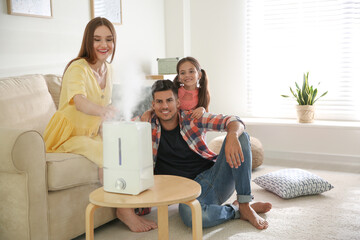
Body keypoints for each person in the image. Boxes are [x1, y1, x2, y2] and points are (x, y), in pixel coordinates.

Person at [43, 17, 157, 232]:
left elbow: (106, 105)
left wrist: (114, 122)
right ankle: (124, 211)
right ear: (88, 41)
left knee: (126, 146)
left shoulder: (108, 70)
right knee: (108, 153)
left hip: (91, 132)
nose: (104, 45)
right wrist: (103, 111)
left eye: (109, 39)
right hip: (67, 134)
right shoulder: (78, 68)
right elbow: (79, 101)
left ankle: (133, 201)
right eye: (97, 39)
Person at [137, 79, 272, 229]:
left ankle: (245, 203)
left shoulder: (192, 119)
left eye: (169, 100)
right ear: (153, 105)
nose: (164, 106)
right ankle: (237, 210)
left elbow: (233, 120)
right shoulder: (146, 124)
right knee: (191, 215)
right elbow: (122, 129)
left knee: (241, 136)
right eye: (159, 102)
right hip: (187, 193)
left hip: (213, 179)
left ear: (178, 102)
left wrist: (232, 135)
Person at [141, 56, 210, 121]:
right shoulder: (175, 92)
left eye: (191, 71)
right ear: (179, 77)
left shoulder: (203, 93)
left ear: (199, 75)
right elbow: (161, 106)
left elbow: (207, 118)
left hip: (194, 130)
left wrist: (202, 109)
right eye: (183, 73)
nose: (187, 75)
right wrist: (149, 112)